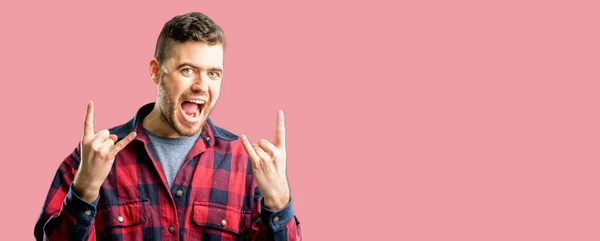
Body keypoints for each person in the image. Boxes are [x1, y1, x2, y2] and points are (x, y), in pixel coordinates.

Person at [34, 12, 301, 241]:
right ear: (155, 71)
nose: (201, 85)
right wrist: (85, 191)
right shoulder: (92, 158)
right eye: (187, 70)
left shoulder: (246, 165)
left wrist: (279, 203)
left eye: (213, 73)